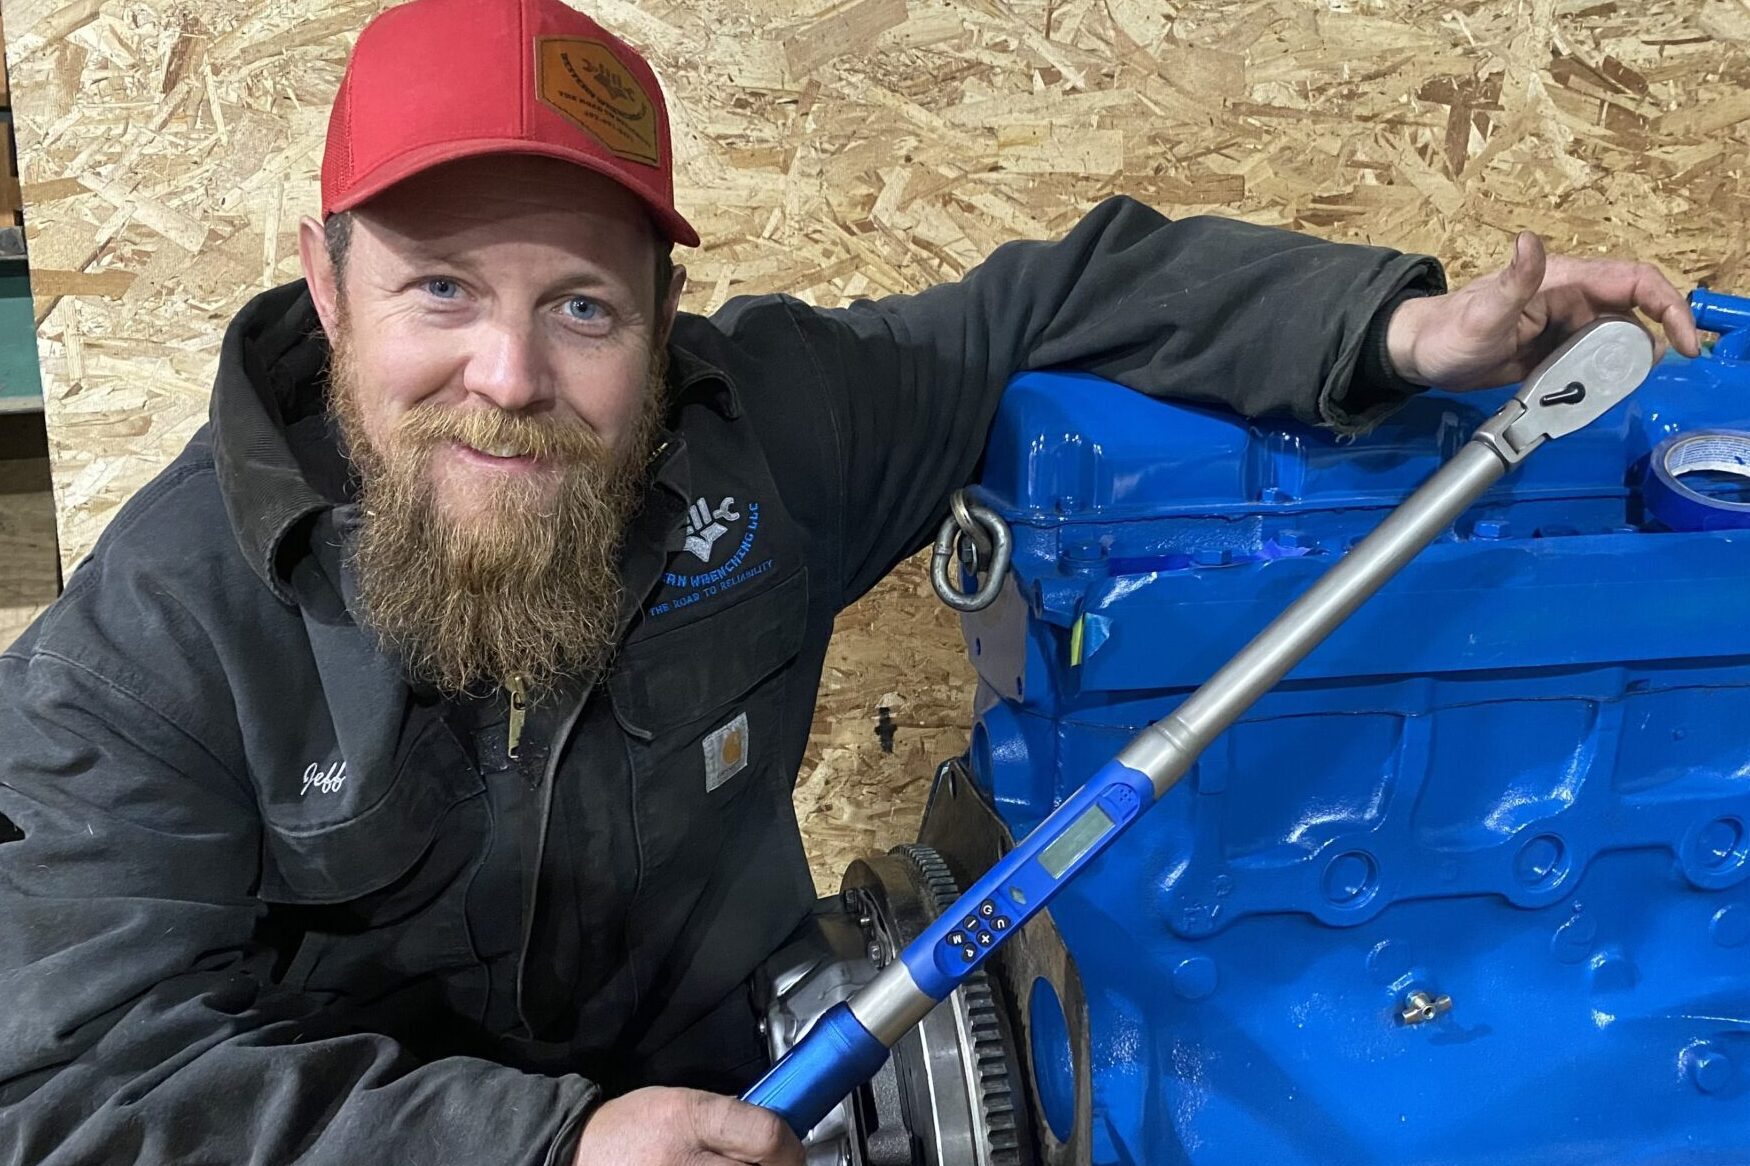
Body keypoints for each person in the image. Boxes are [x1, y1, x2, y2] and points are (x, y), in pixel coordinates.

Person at [0, 0, 1703, 1162]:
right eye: (440, 289)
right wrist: (547, 1144)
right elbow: (66, 1082)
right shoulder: (157, 636)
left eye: (580, 306)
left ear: (659, 320)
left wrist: (1402, 334)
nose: (507, 377)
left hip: (767, 1105)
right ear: (326, 281)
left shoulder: (759, 443)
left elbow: (1052, 298)